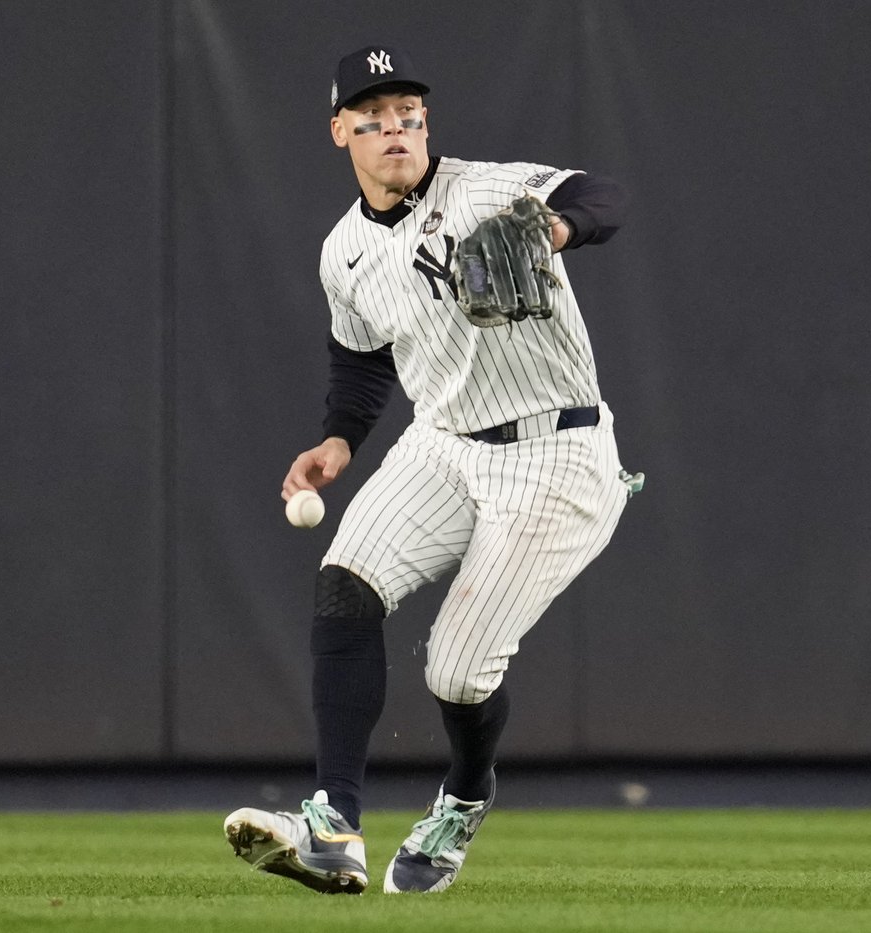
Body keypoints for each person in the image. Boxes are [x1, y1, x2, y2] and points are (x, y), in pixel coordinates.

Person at [224, 44, 636, 896]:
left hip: (554, 448)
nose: (394, 132)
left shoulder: (487, 190)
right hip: (444, 440)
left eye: (407, 115)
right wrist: (339, 439)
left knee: (454, 671)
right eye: (372, 120)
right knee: (345, 579)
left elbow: (605, 196)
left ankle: (464, 792)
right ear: (341, 133)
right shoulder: (343, 251)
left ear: (425, 124)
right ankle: (333, 824)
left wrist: (559, 228)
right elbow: (363, 356)